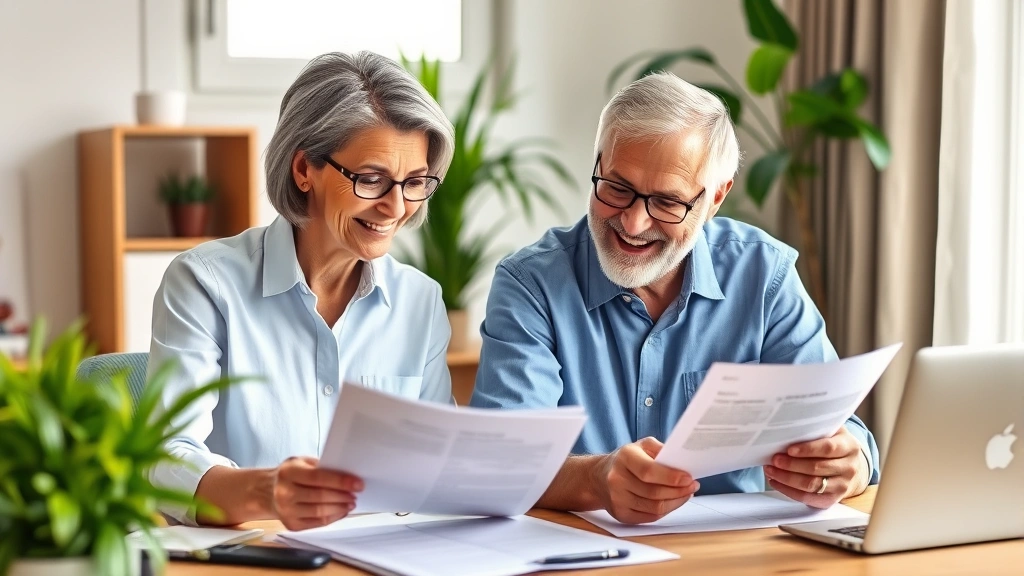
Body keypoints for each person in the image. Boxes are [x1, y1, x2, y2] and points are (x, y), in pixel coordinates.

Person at [470, 72, 879, 525]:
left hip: (730, 554)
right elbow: (500, 463)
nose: (634, 222)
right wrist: (595, 479)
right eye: (617, 188)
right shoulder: (532, 284)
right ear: (598, 164)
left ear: (715, 198)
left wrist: (848, 465)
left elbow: (843, 433)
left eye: (667, 202)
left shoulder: (764, 275)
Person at [147, 51, 455, 529]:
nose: (396, 207)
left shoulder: (420, 301)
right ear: (303, 170)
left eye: (414, 182)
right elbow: (164, 458)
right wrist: (265, 493)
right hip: (253, 557)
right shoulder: (204, 284)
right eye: (371, 179)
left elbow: (436, 463)